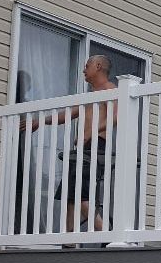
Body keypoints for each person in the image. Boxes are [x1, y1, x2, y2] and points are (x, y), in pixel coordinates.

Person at [23, 55, 117, 232]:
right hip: (82, 149)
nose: (83, 70)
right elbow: (65, 115)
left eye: (87, 66)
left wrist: (90, 132)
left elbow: (116, 117)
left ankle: (108, 235)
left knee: (81, 198)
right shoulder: (91, 96)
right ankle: (69, 243)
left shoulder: (109, 89)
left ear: (98, 66)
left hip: (96, 147)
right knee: (70, 196)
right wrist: (40, 121)